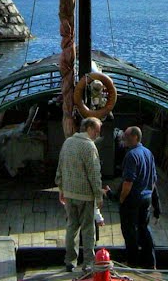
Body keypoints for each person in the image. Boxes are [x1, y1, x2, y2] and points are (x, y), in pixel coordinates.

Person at [55, 116, 105, 272]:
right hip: (85, 196)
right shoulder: (89, 147)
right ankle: (88, 263)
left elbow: (60, 167)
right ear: (89, 129)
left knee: (71, 227)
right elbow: (94, 175)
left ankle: (70, 261)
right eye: (96, 131)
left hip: (69, 193)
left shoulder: (67, 142)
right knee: (88, 230)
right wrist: (99, 196)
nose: (98, 134)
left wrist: (61, 188)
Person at [115, 126, 158, 269]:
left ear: (135, 137)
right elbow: (153, 179)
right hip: (146, 197)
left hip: (133, 199)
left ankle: (132, 261)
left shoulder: (131, 155)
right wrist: (151, 197)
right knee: (144, 229)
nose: (124, 139)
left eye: (127, 136)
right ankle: (150, 262)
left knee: (129, 231)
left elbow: (128, 182)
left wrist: (121, 198)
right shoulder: (148, 153)